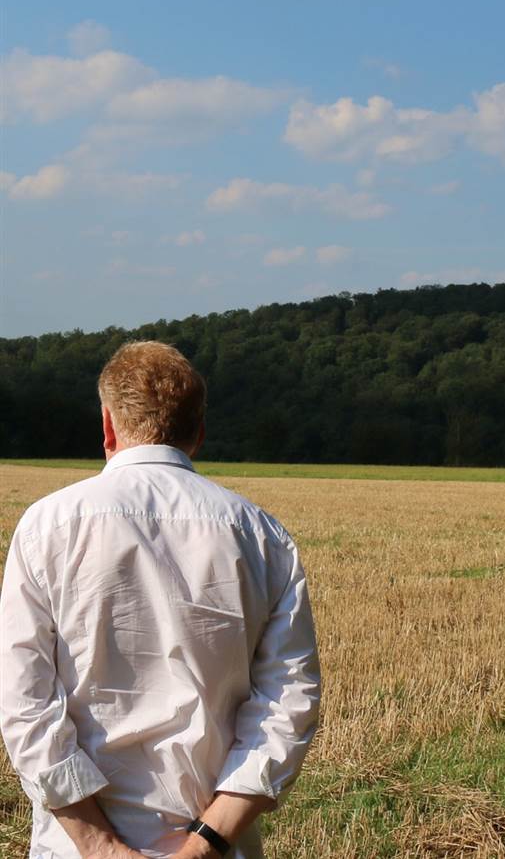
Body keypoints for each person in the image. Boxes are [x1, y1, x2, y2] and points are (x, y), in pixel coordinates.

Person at [1, 341, 321, 859]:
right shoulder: (262, 536)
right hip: (220, 848)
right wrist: (205, 844)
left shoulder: (47, 527)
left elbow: (25, 704)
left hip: (74, 850)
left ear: (107, 425)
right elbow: (289, 702)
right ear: (198, 431)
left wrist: (102, 847)